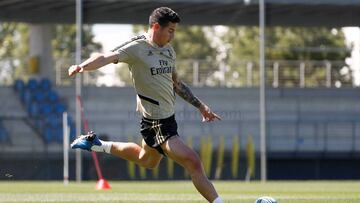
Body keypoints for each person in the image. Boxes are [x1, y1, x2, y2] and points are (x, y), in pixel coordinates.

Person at [69, 7, 223, 203]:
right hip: (157, 122)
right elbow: (106, 57)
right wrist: (82, 66)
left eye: (174, 31)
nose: (173, 36)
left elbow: (176, 83)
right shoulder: (137, 47)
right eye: (170, 31)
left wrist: (200, 106)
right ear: (156, 27)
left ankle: (97, 145)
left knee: (146, 160)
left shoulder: (168, 50)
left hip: (168, 120)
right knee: (193, 162)